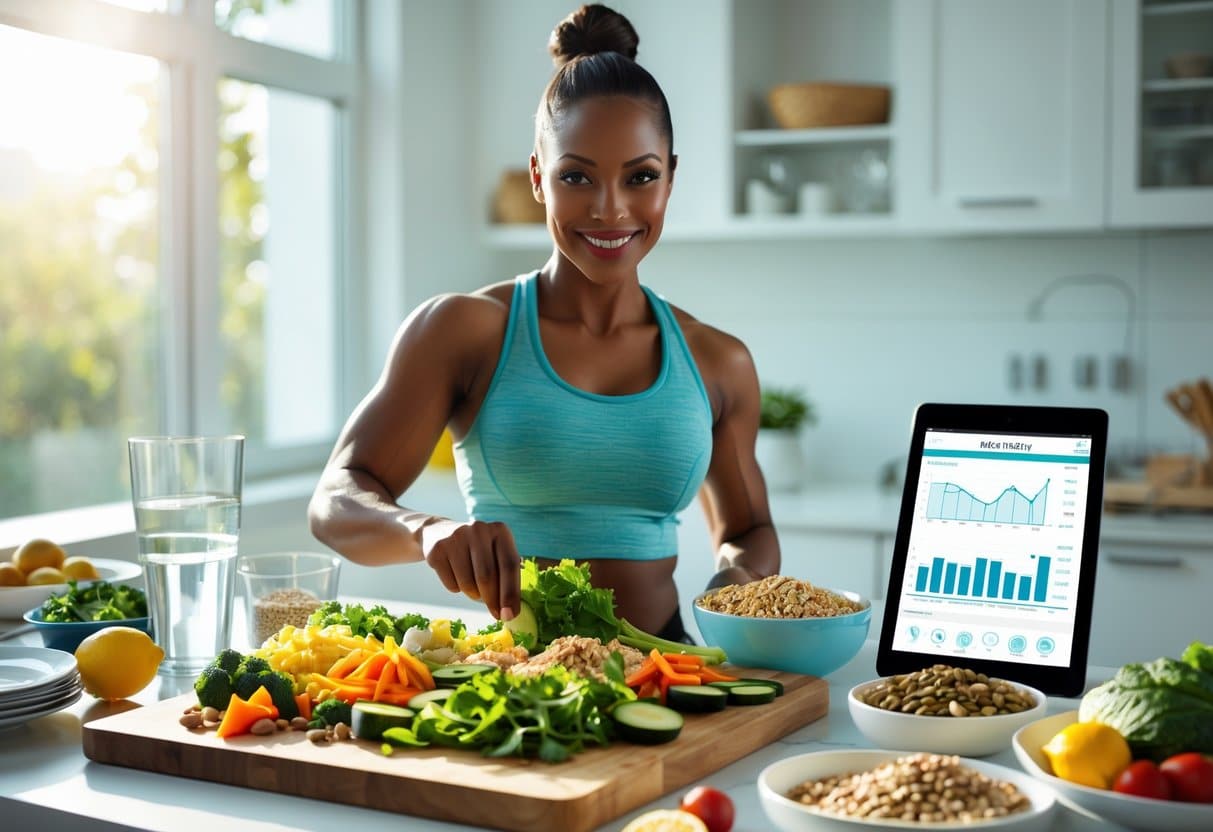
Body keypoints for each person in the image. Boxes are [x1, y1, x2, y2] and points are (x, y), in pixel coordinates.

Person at [308, 3, 780, 642]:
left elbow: (749, 532)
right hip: (516, 686)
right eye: (576, 176)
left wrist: (736, 583)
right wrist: (430, 531)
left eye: (640, 176)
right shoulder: (464, 332)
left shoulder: (718, 361)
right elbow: (335, 501)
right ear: (538, 178)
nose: (610, 210)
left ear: (670, 179)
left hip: (670, 670)